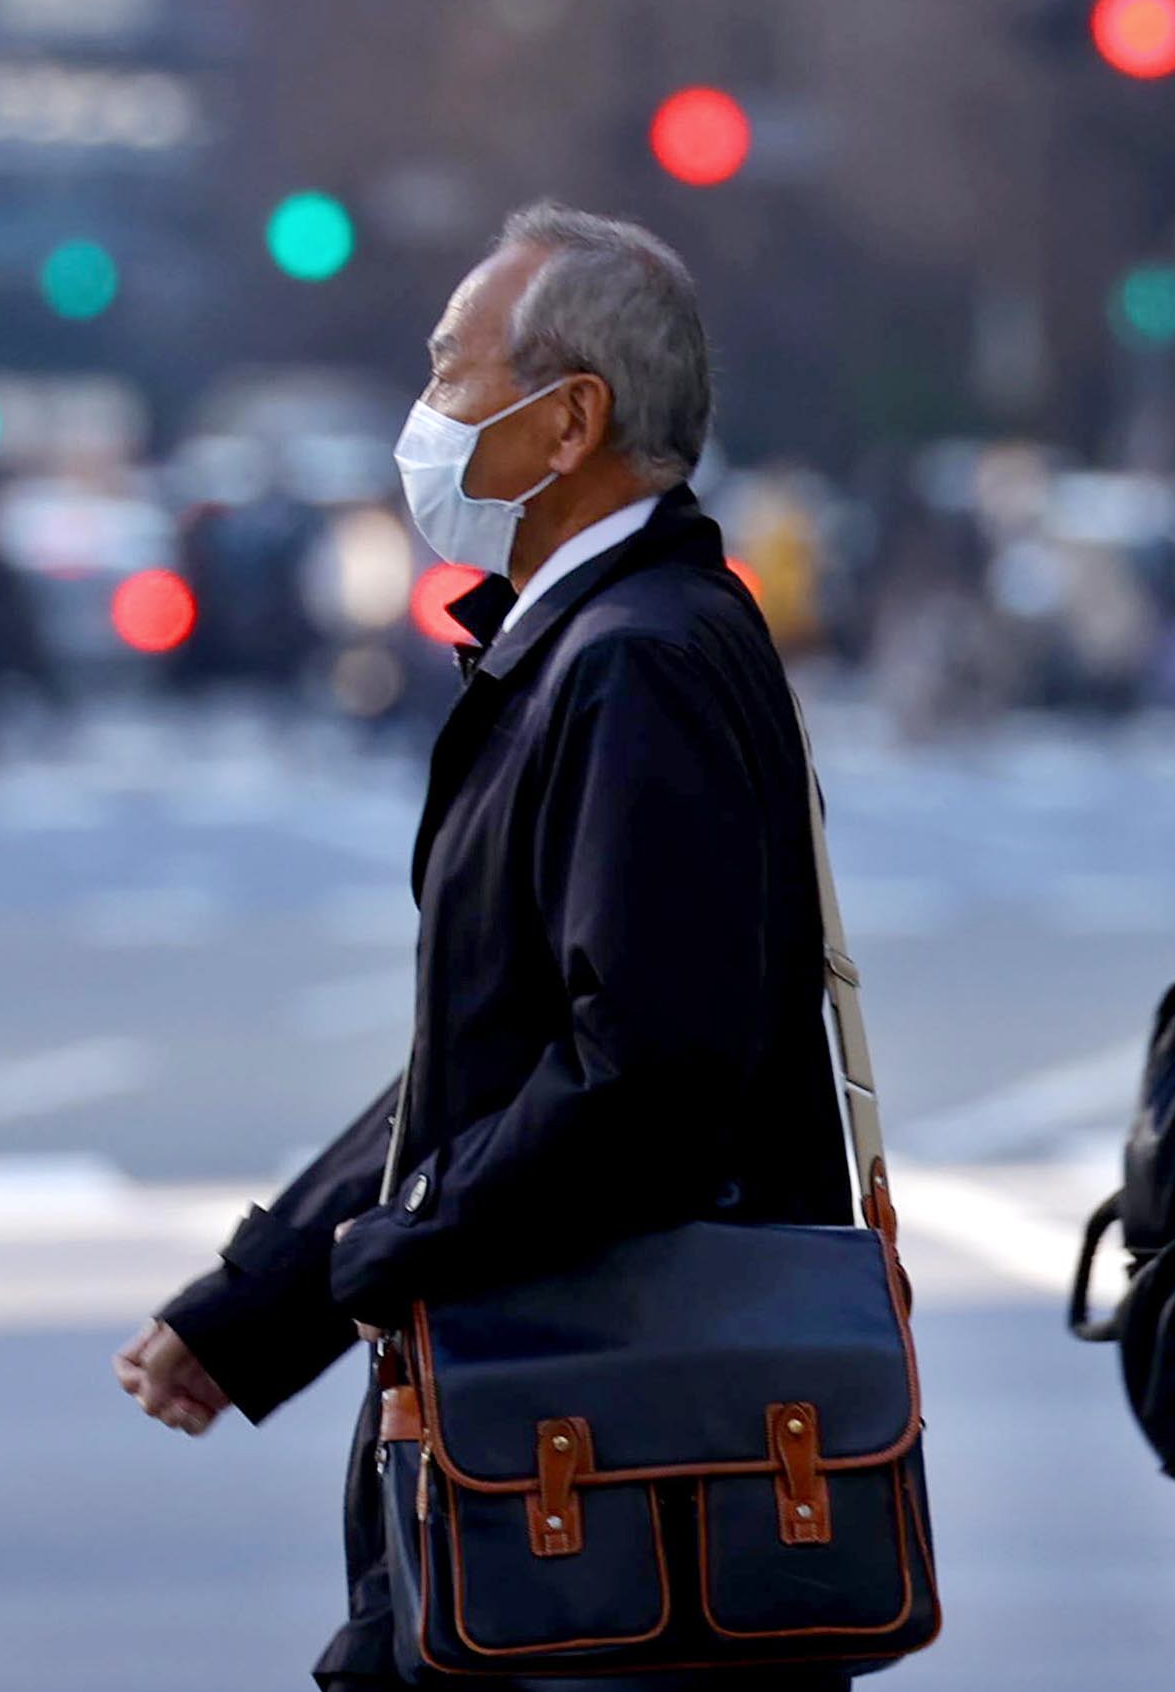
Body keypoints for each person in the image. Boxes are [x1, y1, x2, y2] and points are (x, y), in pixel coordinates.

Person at [113, 204, 857, 1691]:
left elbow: (643, 1082)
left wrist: (387, 1260)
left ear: (570, 419)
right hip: (580, 1462)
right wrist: (270, 1299)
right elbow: (485, 1066)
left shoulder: (637, 661)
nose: (424, 420)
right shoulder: (601, 645)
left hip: (609, 1477)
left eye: (451, 377)